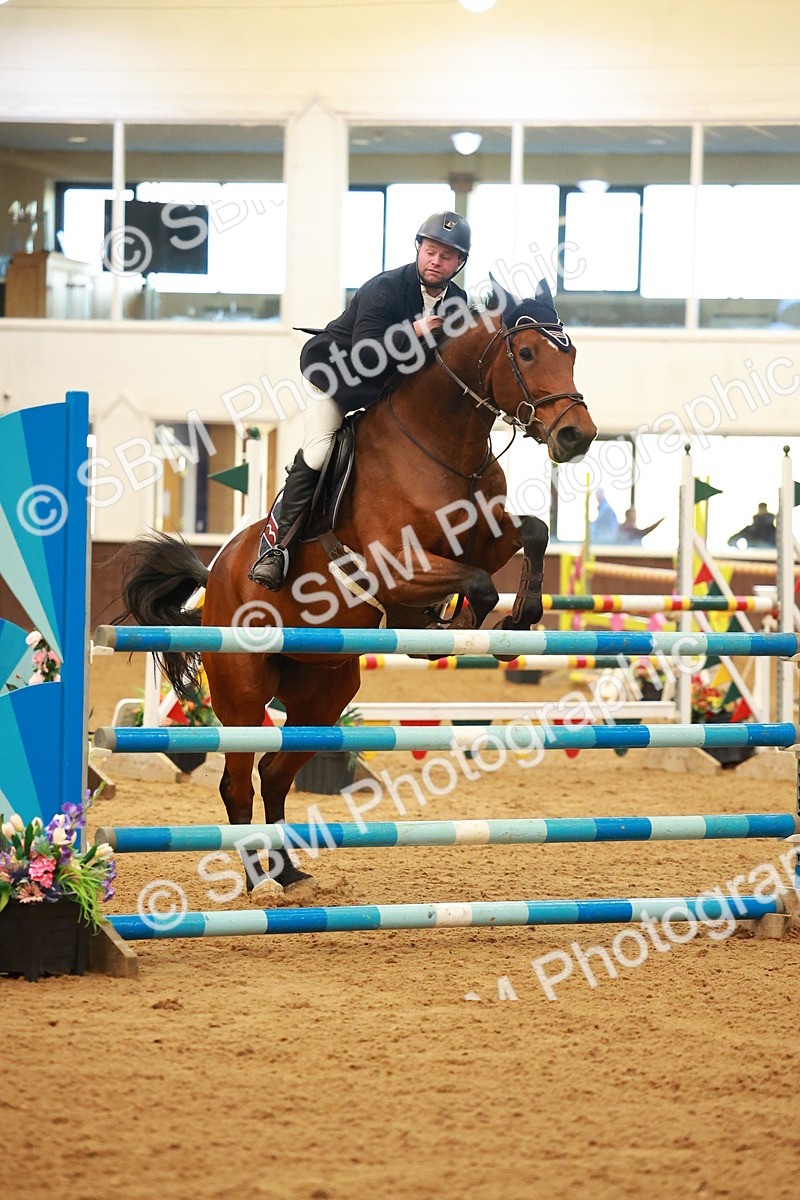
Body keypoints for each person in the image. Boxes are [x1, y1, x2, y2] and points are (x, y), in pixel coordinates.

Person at [249, 210, 471, 590]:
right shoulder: (382, 289)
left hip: (386, 393)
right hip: (339, 379)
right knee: (319, 453)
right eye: (431, 251)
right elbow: (368, 354)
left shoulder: (457, 302)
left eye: (446, 256)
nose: (436, 261)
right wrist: (414, 331)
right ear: (418, 249)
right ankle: (276, 548)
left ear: (459, 263)